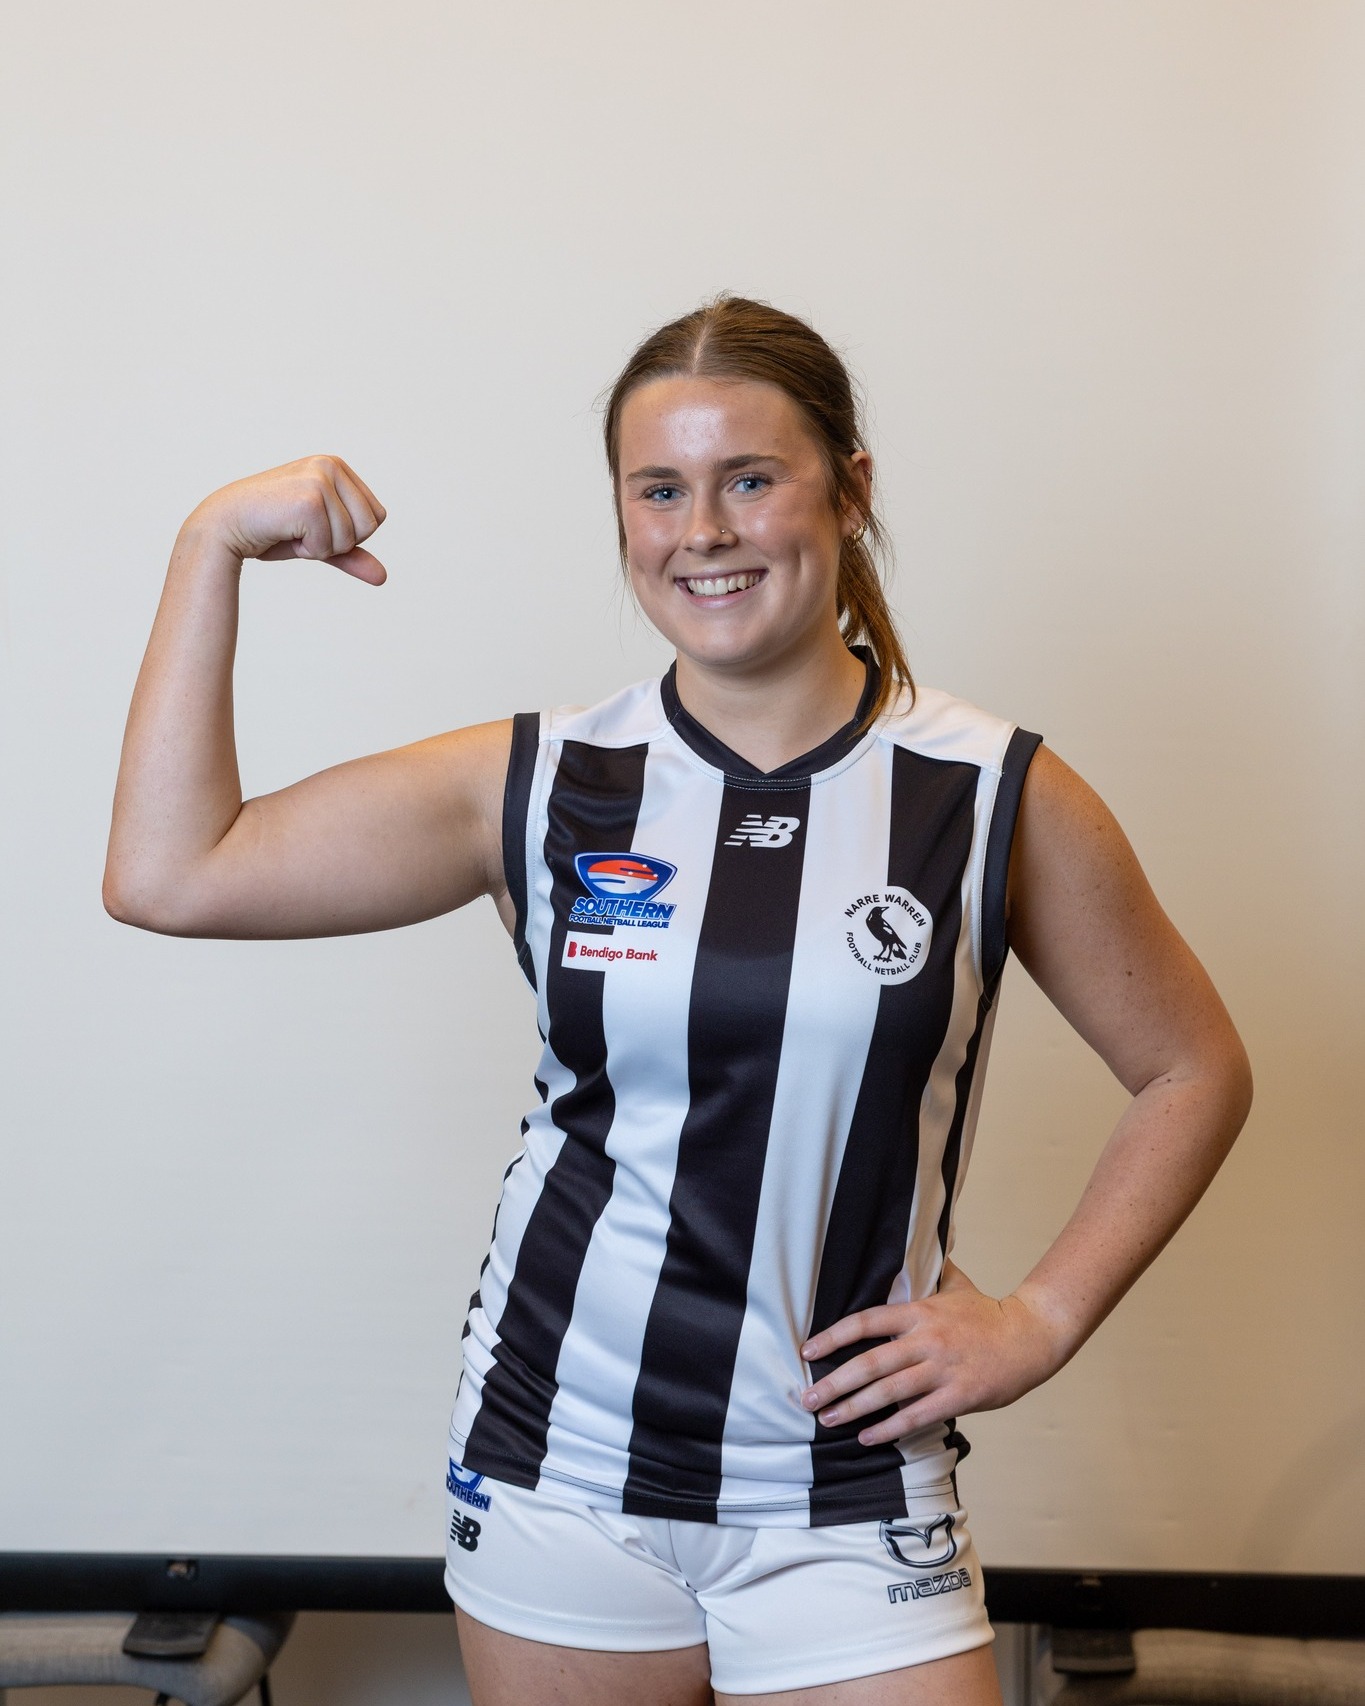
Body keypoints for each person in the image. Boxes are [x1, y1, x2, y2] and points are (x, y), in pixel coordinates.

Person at [104, 296, 1252, 1706]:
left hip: (845, 1485)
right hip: (561, 1468)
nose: (700, 530)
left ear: (849, 490)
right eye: (658, 489)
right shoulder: (540, 782)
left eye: (748, 479)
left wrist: (1043, 1319)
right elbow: (170, 872)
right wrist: (208, 544)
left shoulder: (989, 790)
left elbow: (1193, 1069)